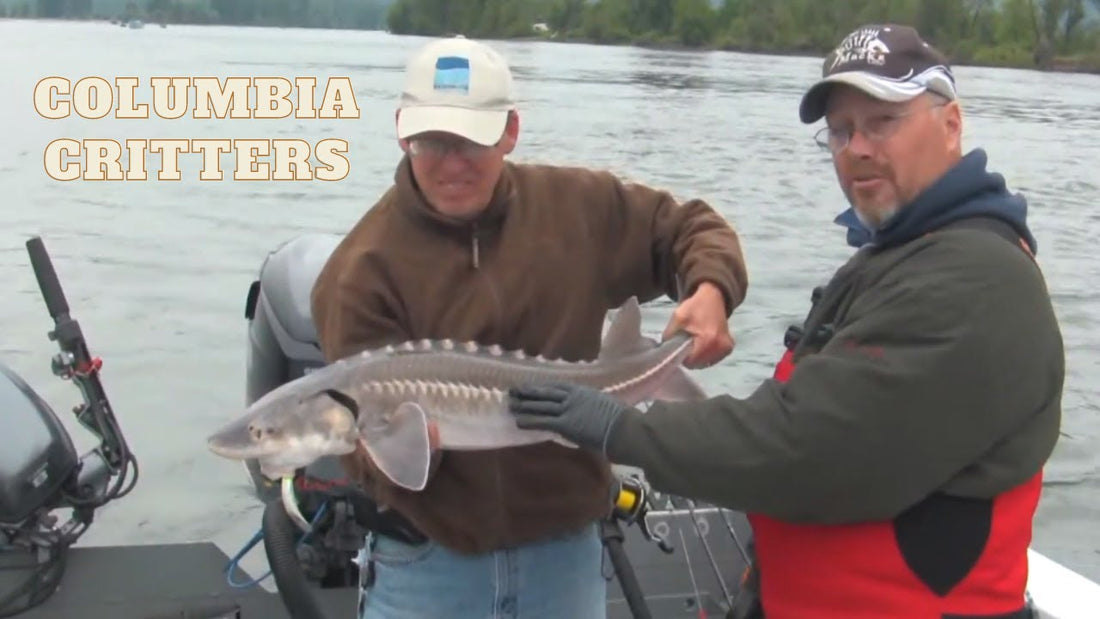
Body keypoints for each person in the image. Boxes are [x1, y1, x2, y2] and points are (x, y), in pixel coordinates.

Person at [508, 23, 1064, 619]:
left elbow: (804, 449)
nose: (857, 148)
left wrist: (621, 428)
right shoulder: (901, 252)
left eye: (883, 122)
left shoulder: (977, 280)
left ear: (951, 124)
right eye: (842, 131)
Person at [308, 35, 749, 619]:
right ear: (401, 130)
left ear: (510, 131)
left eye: (472, 139)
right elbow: (369, 458)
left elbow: (692, 228)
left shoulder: (576, 207)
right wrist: (408, 448)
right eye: (432, 140)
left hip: (564, 555)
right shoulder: (359, 271)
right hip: (429, 565)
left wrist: (711, 289)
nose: (452, 161)